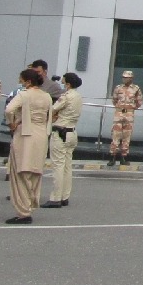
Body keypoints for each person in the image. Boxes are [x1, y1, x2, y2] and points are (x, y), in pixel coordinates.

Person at [5, 68, 53, 224]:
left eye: (22, 79)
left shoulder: (24, 95)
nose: (20, 81)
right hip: (41, 133)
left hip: (25, 132)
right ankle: (31, 202)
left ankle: (23, 210)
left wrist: (12, 123)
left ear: (28, 81)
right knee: (35, 170)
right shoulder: (47, 96)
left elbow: (9, 109)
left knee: (20, 171)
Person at [42, 72, 83, 209]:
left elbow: (52, 109)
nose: (62, 84)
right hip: (72, 132)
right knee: (67, 166)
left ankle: (55, 198)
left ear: (68, 84)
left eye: (64, 82)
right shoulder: (78, 96)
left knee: (57, 166)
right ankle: (65, 196)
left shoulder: (66, 96)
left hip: (60, 132)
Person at [107, 71, 143, 166]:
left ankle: (124, 157)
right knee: (115, 135)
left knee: (126, 136)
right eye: (123, 77)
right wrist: (121, 107)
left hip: (129, 114)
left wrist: (130, 108)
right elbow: (114, 100)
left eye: (127, 77)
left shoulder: (136, 89)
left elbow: (139, 102)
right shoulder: (118, 88)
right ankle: (112, 157)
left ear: (131, 78)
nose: (125, 79)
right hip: (119, 114)